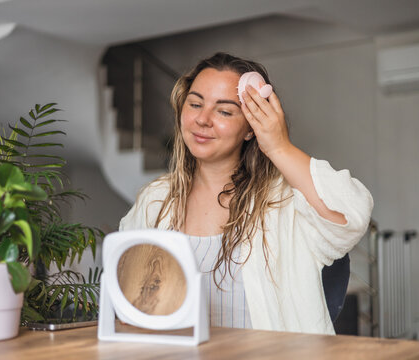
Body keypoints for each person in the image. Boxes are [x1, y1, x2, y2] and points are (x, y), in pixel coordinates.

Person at [119, 52, 373, 335]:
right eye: (195, 104)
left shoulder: (284, 200)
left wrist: (279, 147)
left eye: (224, 111)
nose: (203, 119)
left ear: (251, 129)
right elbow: (128, 287)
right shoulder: (155, 200)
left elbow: (350, 218)